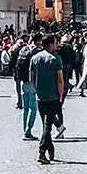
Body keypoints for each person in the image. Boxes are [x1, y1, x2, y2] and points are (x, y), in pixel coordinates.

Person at [30, 34, 66, 164]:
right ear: (51, 45)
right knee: (47, 126)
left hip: (40, 96)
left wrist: (37, 90)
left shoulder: (34, 58)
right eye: (55, 43)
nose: (56, 45)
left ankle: (50, 150)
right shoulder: (55, 59)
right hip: (53, 96)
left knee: (47, 124)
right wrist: (60, 96)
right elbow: (60, 80)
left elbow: (32, 78)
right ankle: (41, 151)